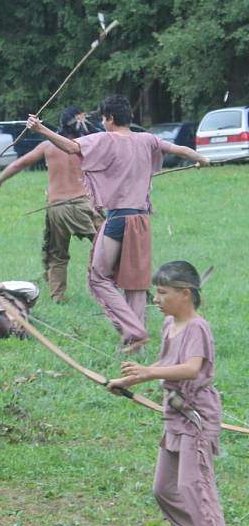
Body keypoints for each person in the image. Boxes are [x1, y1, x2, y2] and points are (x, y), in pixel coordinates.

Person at [26, 95, 209, 352]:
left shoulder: (104, 139)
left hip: (118, 219)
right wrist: (201, 159)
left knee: (98, 276)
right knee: (134, 282)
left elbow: (70, 147)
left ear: (110, 118)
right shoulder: (147, 139)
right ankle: (138, 344)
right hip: (142, 219)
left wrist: (40, 129)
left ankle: (133, 329)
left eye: (103, 118)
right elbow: (180, 150)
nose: (102, 122)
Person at [108, 261, 243, 526]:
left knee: (194, 487)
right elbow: (169, 363)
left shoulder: (197, 327)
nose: (156, 298)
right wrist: (130, 380)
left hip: (197, 417)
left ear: (185, 294)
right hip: (175, 415)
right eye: (156, 291)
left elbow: (192, 368)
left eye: (162, 292)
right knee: (165, 488)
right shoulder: (170, 324)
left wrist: (149, 373)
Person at [0, 107, 104, 302]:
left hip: (57, 208)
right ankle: (122, 289)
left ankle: (57, 296)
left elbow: (19, 164)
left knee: (57, 255)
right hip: (83, 205)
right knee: (109, 247)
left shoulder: (47, 147)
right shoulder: (86, 145)